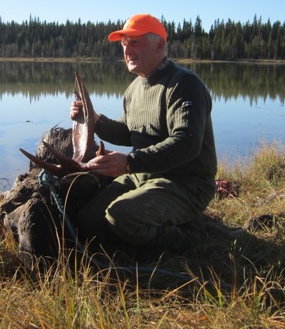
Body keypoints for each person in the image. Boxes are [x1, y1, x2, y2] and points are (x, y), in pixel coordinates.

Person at [72, 14, 217, 254]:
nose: (127, 50)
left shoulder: (184, 84)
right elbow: (129, 132)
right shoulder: (135, 88)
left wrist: (129, 162)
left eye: (135, 42)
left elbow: (187, 143)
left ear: (159, 45)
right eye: (124, 43)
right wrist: (94, 120)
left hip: (186, 184)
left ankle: (187, 239)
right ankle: (145, 234)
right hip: (144, 175)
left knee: (121, 216)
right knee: (88, 220)